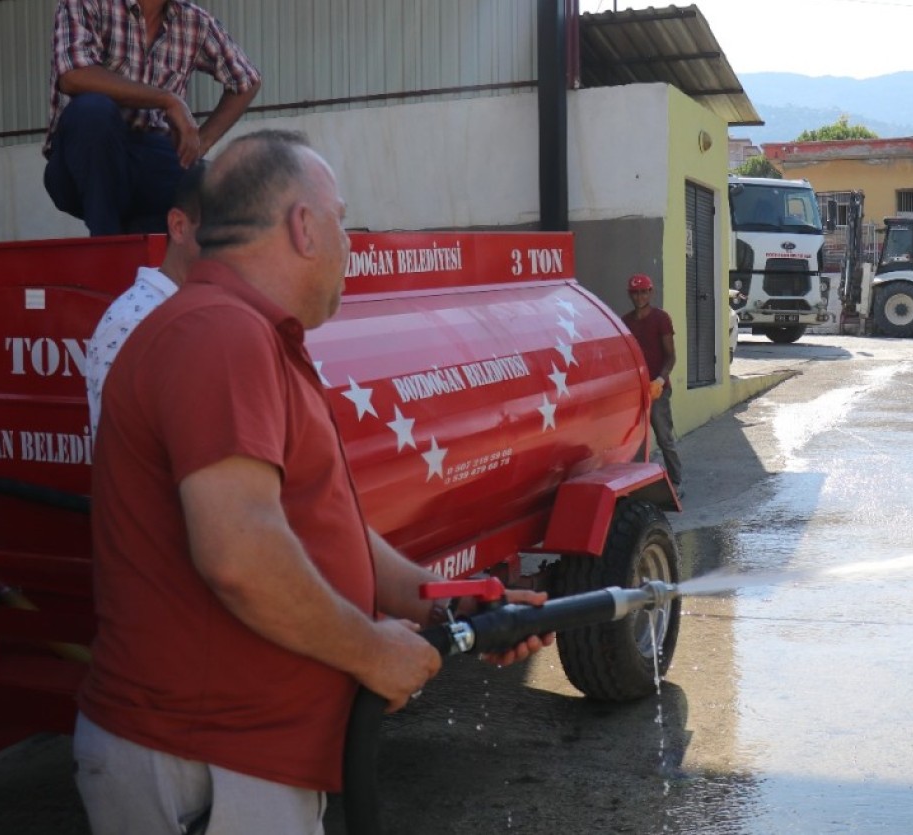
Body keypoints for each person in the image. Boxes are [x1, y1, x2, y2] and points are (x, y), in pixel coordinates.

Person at [75, 130, 549, 835]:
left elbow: (324, 534)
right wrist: (370, 650)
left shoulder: (246, 334)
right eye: (343, 220)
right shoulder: (220, 334)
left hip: (234, 760)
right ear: (303, 226)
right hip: (210, 764)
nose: (349, 243)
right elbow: (239, 553)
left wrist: (450, 607)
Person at [44, 0, 263, 237]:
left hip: (147, 157)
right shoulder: (88, 4)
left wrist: (201, 142)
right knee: (93, 111)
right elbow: (73, 76)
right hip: (79, 162)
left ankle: (149, 253)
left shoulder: (194, 21)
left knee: (212, 188)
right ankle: (106, 245)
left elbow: (246, 81)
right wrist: (167, 99)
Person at [84, 160, 205, 433]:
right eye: (223, 230)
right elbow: (125, 449)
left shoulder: (214, 309)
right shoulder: (133, 323)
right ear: (178, 225)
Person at [621, 274, 681, 495]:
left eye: (644, 291)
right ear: (630, 295)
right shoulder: (625, 322)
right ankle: (635, 483)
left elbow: (671, 356)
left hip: (657, 389)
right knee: (633, 439)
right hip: (635, 389)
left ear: (651, 293)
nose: (640, 296)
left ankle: (676, 482)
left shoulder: (661, 319)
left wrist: (660, 380)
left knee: (664, 436)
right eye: (635, 293)